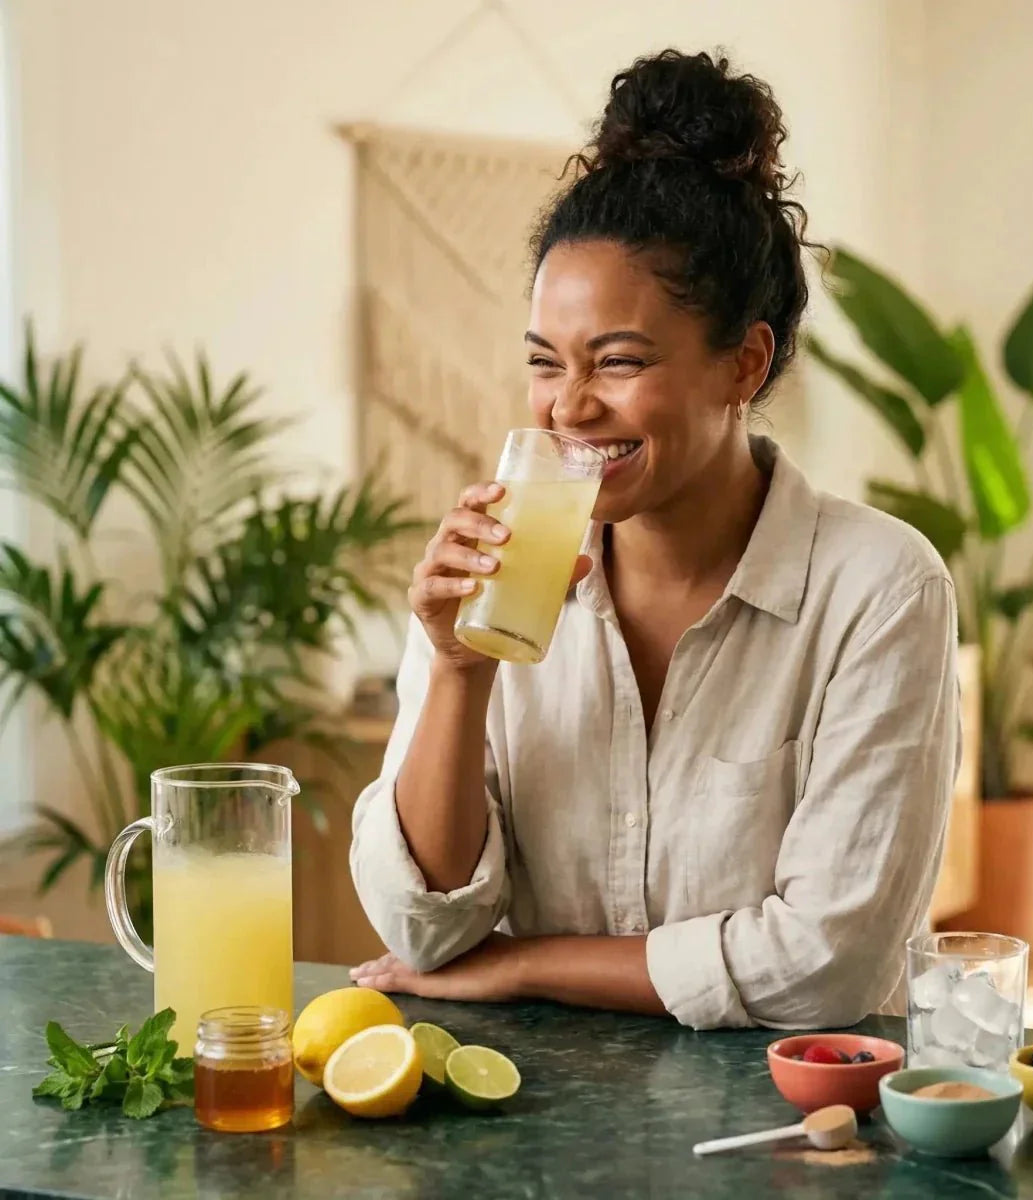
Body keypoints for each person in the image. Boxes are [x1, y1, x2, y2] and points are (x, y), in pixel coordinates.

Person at [349, 49, 959, 1030]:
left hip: (798, 1114)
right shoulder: (496, 578)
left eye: (620, 361)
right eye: (545, 363)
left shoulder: (880, 589)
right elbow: (423, 929)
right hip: (539, 1107)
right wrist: (459, 673)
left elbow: (828, 964)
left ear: (744, 364)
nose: (570, 406)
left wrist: (525, 965)